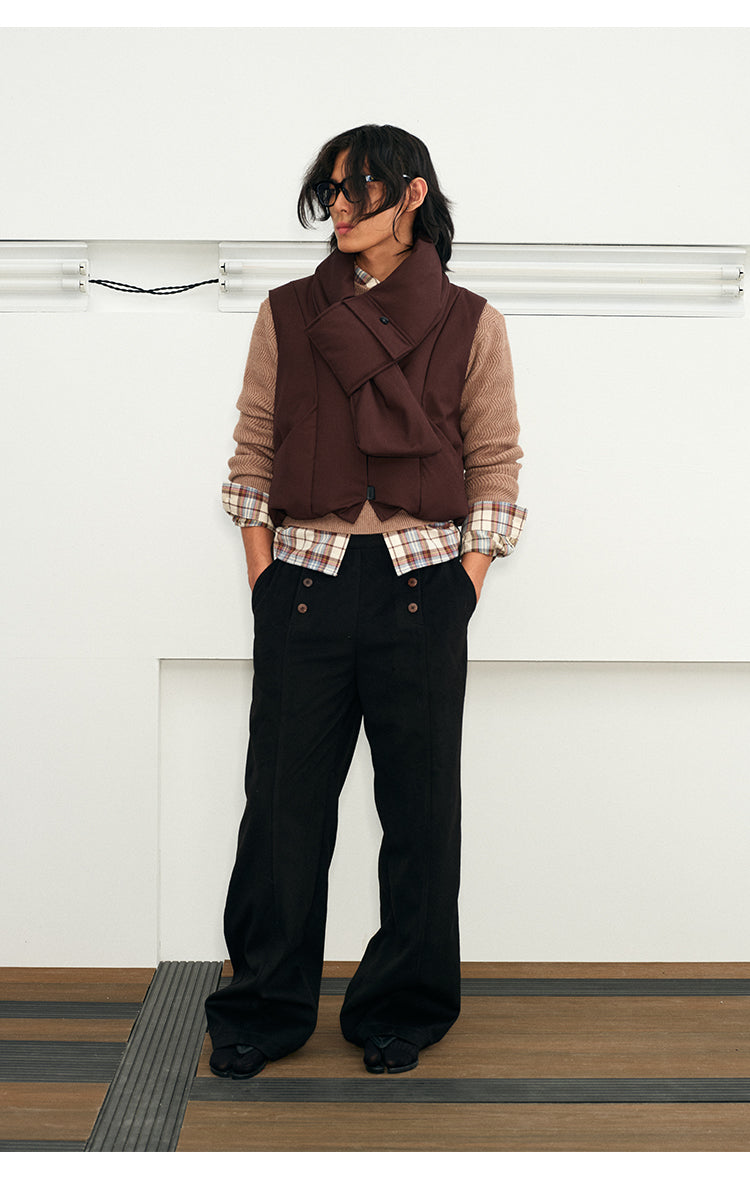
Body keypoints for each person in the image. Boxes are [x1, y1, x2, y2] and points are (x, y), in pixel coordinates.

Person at [204, 123, 526, 1079]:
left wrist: (464, 584)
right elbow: (254, 449)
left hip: (424, 588)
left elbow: (495, 463)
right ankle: (263, 1008)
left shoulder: (472, 321)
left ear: (412, 195)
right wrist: (266, 577)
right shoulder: (288, 313)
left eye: (356, 190)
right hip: (303, 584)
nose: (338, 209)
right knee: (281, 812)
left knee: (421, 815)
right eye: (330, 193)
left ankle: (402, 1008)